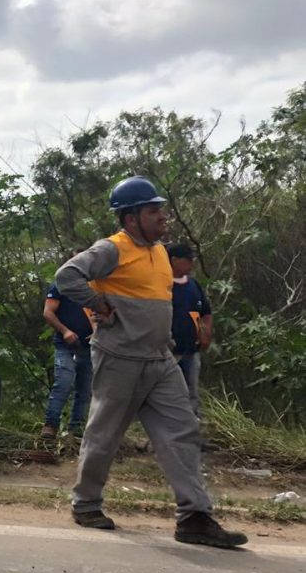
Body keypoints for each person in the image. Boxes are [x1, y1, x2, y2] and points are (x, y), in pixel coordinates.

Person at [54, 176, 246, 548]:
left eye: (161, 210)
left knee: (183, 431)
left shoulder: (159, 252)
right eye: (153, 211)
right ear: (130, 219)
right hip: (120, 358)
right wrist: (97, 305)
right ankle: (86, 503)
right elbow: (67, 277)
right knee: (104, 435)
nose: (163, 217)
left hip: (160, 360)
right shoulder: (112, 248)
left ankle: (194, 517)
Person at [40, 277, 94, 440]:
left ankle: (76, 429)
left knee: (84, 390)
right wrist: (65, 331)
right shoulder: (61, 286)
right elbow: (48, 313)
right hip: (66, 345)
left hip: (89, 345)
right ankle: (50, 425)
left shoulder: (94, 287)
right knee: (63, 383)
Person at [167, 243, 212, 419]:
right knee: (170, 392)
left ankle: (192, 427)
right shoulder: (162, 285)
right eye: (188, 260)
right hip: (169, 350)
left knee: (192, 391)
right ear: (174, 260)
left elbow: (206, 312)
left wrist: (206, 333)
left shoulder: (193, 285)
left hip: (191, 349)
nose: (191, 263)